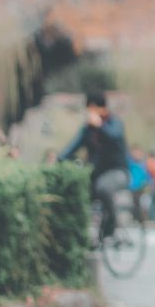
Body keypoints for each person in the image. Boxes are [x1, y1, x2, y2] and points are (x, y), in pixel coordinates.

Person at [57, 92, 131, 239]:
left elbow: (115, 137)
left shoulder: (114, 123)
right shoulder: (87, 130)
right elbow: (72, 147)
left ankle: (112, 222)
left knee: (103, 187)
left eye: (91, 109)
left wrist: (100, 125)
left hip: (118, 172)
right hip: (96, 173)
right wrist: (59, 159)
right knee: (77, 192)